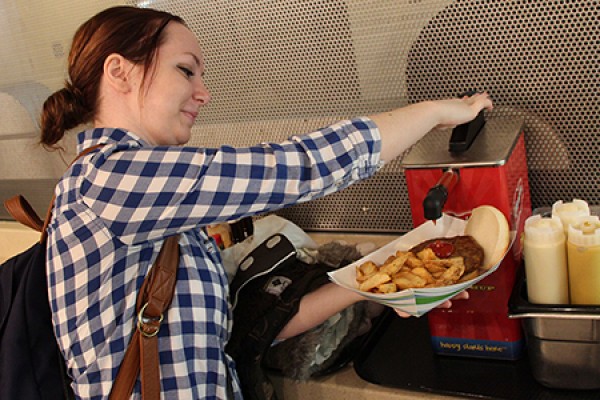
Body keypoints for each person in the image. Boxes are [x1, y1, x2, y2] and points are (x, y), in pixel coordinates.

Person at [40, 5, 492, 400]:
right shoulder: (108, 179)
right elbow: (296, 168)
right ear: (119, 71)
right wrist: (433, 111)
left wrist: (376, 281)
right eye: (185, 69)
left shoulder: (152, 203)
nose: (204, 92)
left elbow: (231, 336)